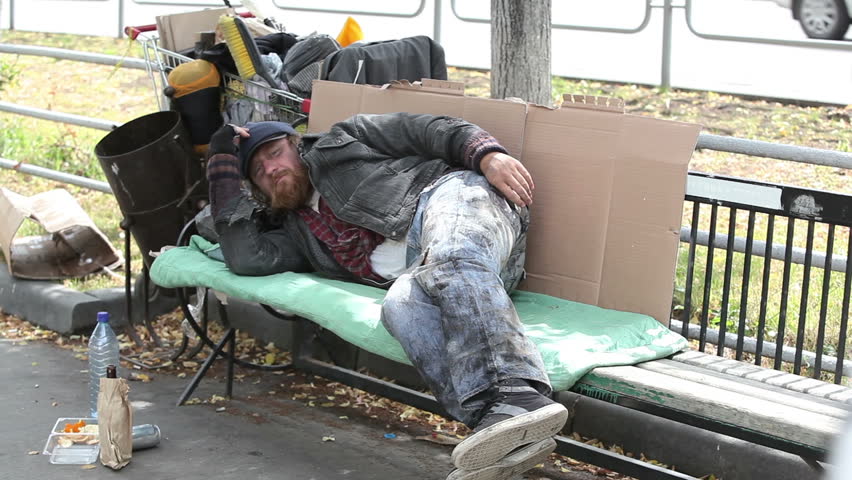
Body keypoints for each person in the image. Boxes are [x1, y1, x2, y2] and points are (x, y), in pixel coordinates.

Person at [205, 113, 569, 479]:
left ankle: (518, 395)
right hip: (432, 271)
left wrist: (487, 155)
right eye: (257, 170)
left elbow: (426, 129)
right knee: (400, 307)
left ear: (296, 145)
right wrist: (221, 162)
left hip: (455, 200)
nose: (270, 168)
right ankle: (498, 430)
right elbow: (244, 257)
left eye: (274, 152)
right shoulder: (297, 233)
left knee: (451, 255)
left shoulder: (340, 140)